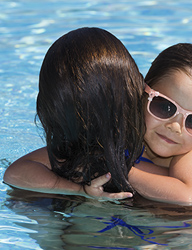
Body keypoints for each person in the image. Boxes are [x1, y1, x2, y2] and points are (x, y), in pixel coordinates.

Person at [3, 27, 146, 200]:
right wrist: (81, 191)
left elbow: (14, 173)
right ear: (132, 92)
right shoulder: (74, 156)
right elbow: (15, 174)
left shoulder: (69, 159)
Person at [128, 43, 192, 205]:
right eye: (165, 107)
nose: (176, 127)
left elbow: (188, 196)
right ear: (141, 93)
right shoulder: (121, 125)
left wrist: (118, 171)